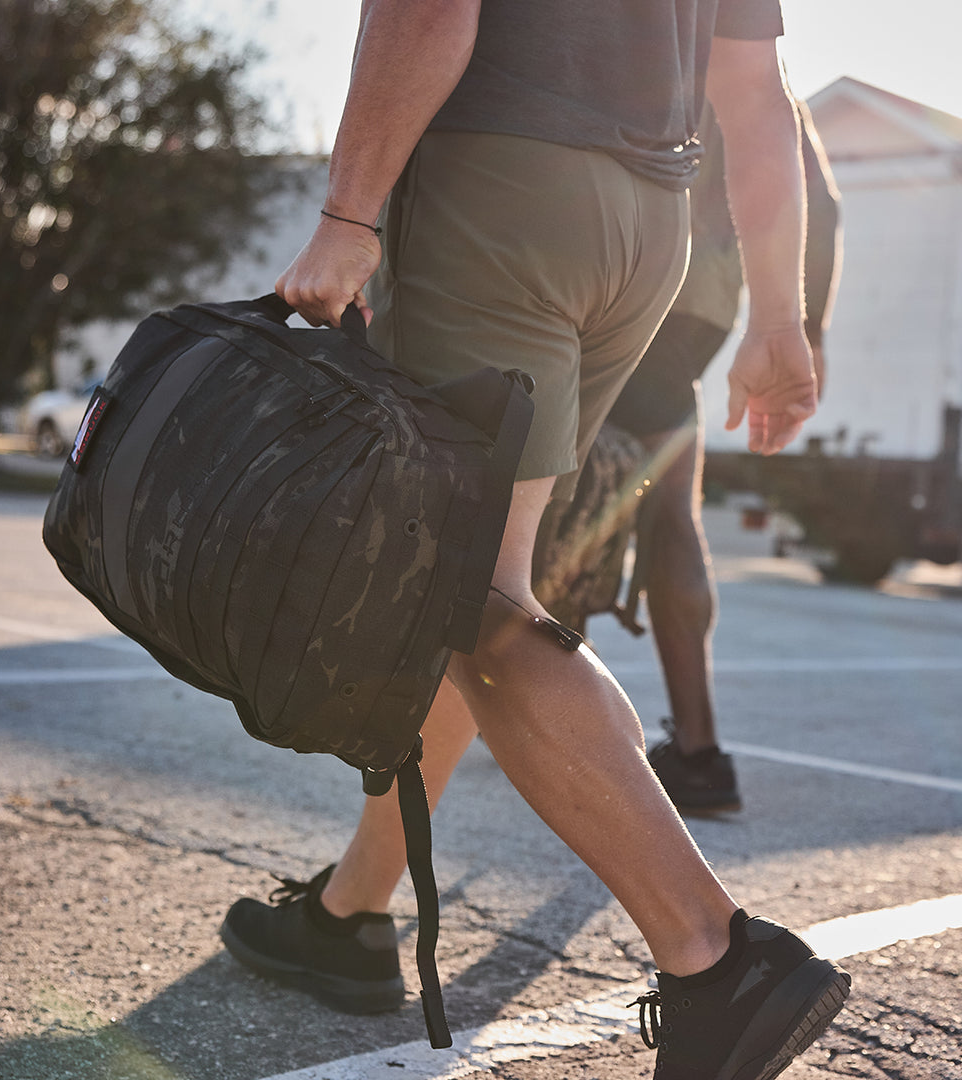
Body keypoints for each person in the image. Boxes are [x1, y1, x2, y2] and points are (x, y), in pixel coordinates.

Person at [219, 2, 852, 1077]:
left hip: (502, 191)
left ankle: (716, 959)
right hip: (645, 223)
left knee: (479, 603)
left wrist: (347, 215)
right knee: (478, 592)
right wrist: (780, 320)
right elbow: (755, 95)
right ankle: (352, 912)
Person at [536, 101, 842, 816]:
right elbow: (818, 198)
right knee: (670, 507)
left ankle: (533, 707)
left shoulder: (644, 29)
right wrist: (808, 327)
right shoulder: (753, 62)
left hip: (618, 275)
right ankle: (699, 755)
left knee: (538, 485)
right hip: (702, 307)